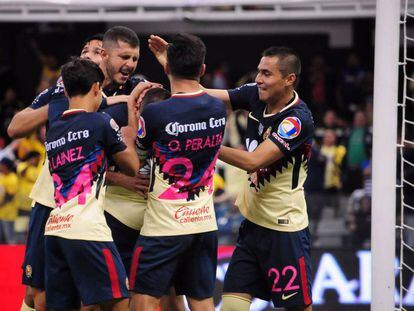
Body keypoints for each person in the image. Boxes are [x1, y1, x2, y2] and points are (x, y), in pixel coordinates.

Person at [150, 37, 314, 311]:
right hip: (251, 227)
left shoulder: (296, 121)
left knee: (298, 307)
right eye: (259, 71)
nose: (259, 78)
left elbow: (253, 162)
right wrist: (174, 66)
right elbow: (200, 94)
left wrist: (207, 142)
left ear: (289, 79)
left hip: (284, 230)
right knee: (231, 305)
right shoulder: (254, 94)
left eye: (267, 73)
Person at [130, 33, 226, 311]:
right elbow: (195, 99)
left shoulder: (156, 114)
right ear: (204, 69)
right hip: (204, 224)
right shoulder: (218, 109)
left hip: (164, 226)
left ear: (168, 68)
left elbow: (139, 155)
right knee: (202, 302)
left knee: (142, 301)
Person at [44, 57, 139, 310]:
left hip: (55, 229)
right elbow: (132, 167)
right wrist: (130, 127)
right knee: (119, 302)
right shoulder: (100, 121)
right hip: (88, 230)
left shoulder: (54, 129)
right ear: (97, 88)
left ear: (65, 90)